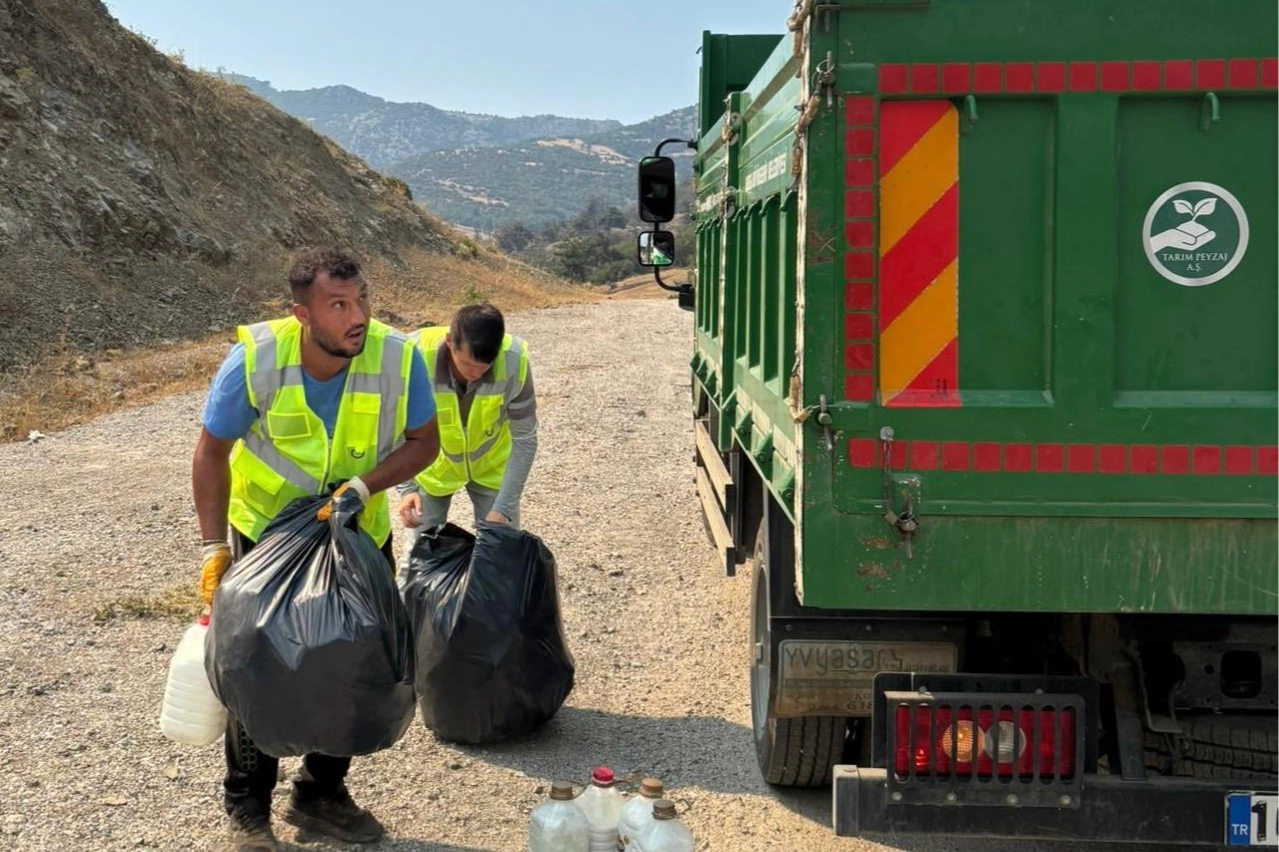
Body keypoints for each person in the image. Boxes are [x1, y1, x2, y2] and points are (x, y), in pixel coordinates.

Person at [191, 247, 439, 851]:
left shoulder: (397, 356)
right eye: (339, 305)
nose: (359, 317)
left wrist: (365, 486)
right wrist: (213, 547)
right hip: (267, 540)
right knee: (255, 667)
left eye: (362, 300)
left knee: (353, 662)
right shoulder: (256, 360)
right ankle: (247, 807)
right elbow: (211, 452)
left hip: (357, 534)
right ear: (302, 314)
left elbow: (424, 443)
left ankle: (321, 792)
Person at [396, 304, 537, 564]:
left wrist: (503, 507)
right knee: (420, 559)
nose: (475, 374)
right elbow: (394, 427)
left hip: (491, 468)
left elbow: (524, 439)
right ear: (449, 341)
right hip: (432, 470)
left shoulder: (514, 362)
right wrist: (407, 489)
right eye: (467, 364)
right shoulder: (414, 357)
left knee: (503, 556)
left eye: (485, 366)